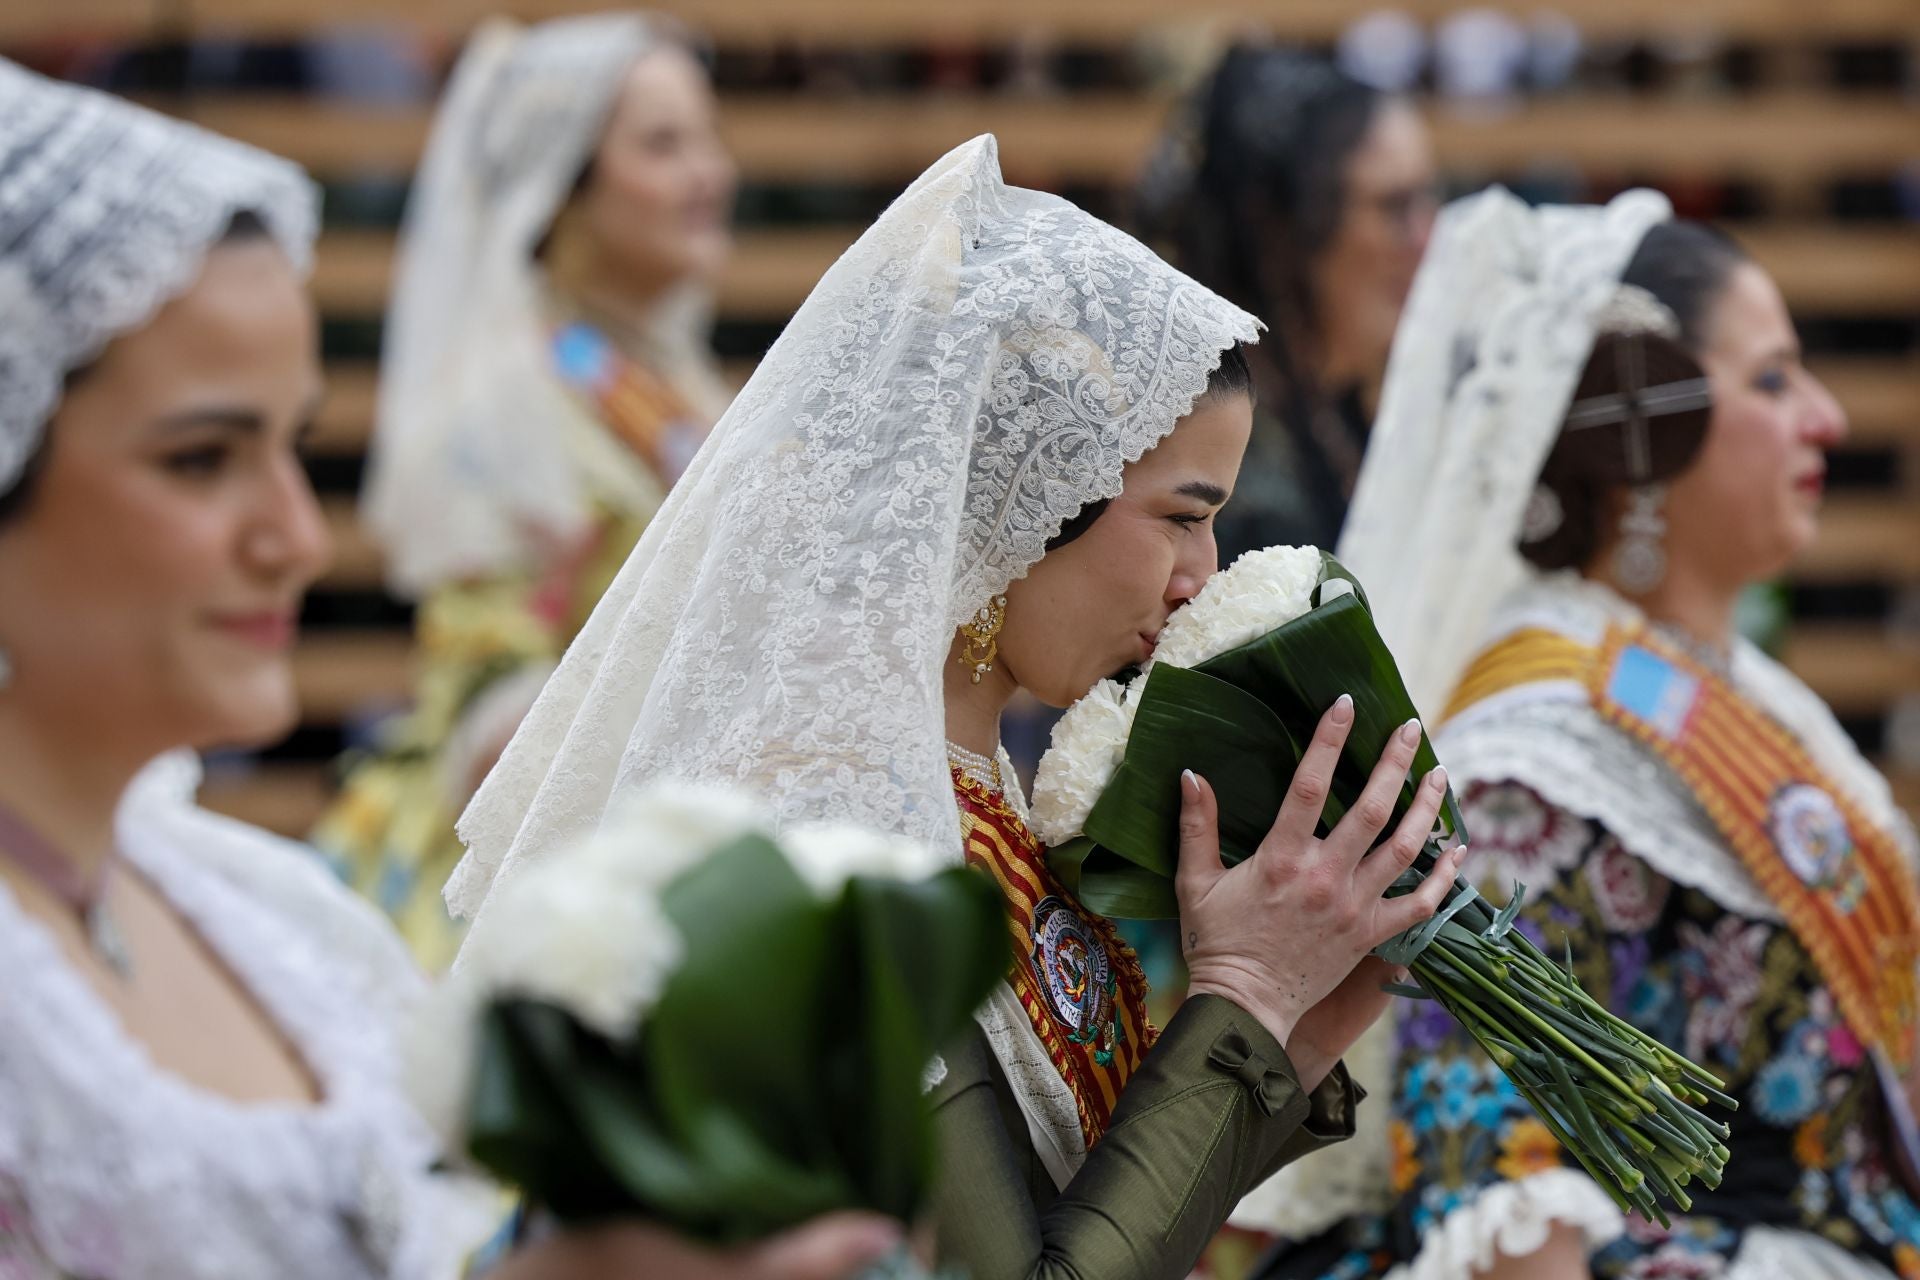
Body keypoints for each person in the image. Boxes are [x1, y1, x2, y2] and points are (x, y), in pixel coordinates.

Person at [444, 134, 1465, 1280]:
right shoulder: (837, 821)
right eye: (1181, 515)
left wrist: (1287, 1028)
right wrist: (1246, 996)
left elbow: (1057, 1209)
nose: (1201, 576)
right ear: (1020, 499)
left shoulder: (956, 781)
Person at [0, 59, 903, 1280]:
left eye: (288, 448)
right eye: (202, 458)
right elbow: (489, 682)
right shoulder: (516, 397)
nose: (297, 539)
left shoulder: (263, 924)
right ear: (568, 194)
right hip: (520, 809)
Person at [1262, 188, 1920, 1278]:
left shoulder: (1753, 694)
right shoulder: (1531, 755)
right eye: (1770, 377)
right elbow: (1497, 1186)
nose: (1825, 417)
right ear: (1642, 419)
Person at [314, 12, 736, 970]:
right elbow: (488, 711)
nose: (713, 174)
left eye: (710, 137)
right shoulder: (502, 397)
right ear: (566, 189)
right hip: (525, 860)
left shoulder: (652, 375)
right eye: (665, 144)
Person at [1136, 43, 1438, 561]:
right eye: (1393, 206)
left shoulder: (1337, 410)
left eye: (1429, 197)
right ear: (1289, 231)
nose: (1427, 239)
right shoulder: (1220, 469)